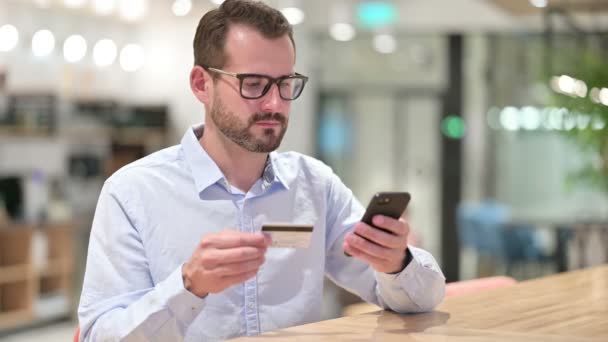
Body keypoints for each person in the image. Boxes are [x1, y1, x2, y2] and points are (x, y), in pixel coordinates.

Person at [77, 0, 445, 340]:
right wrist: (187, 286)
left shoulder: (314, 185)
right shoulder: (132, 192)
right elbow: (98, 335)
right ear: (201, 84)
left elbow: (422, 300)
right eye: (253, 84)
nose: (275, 103)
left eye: (285, 84)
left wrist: (397, 262)